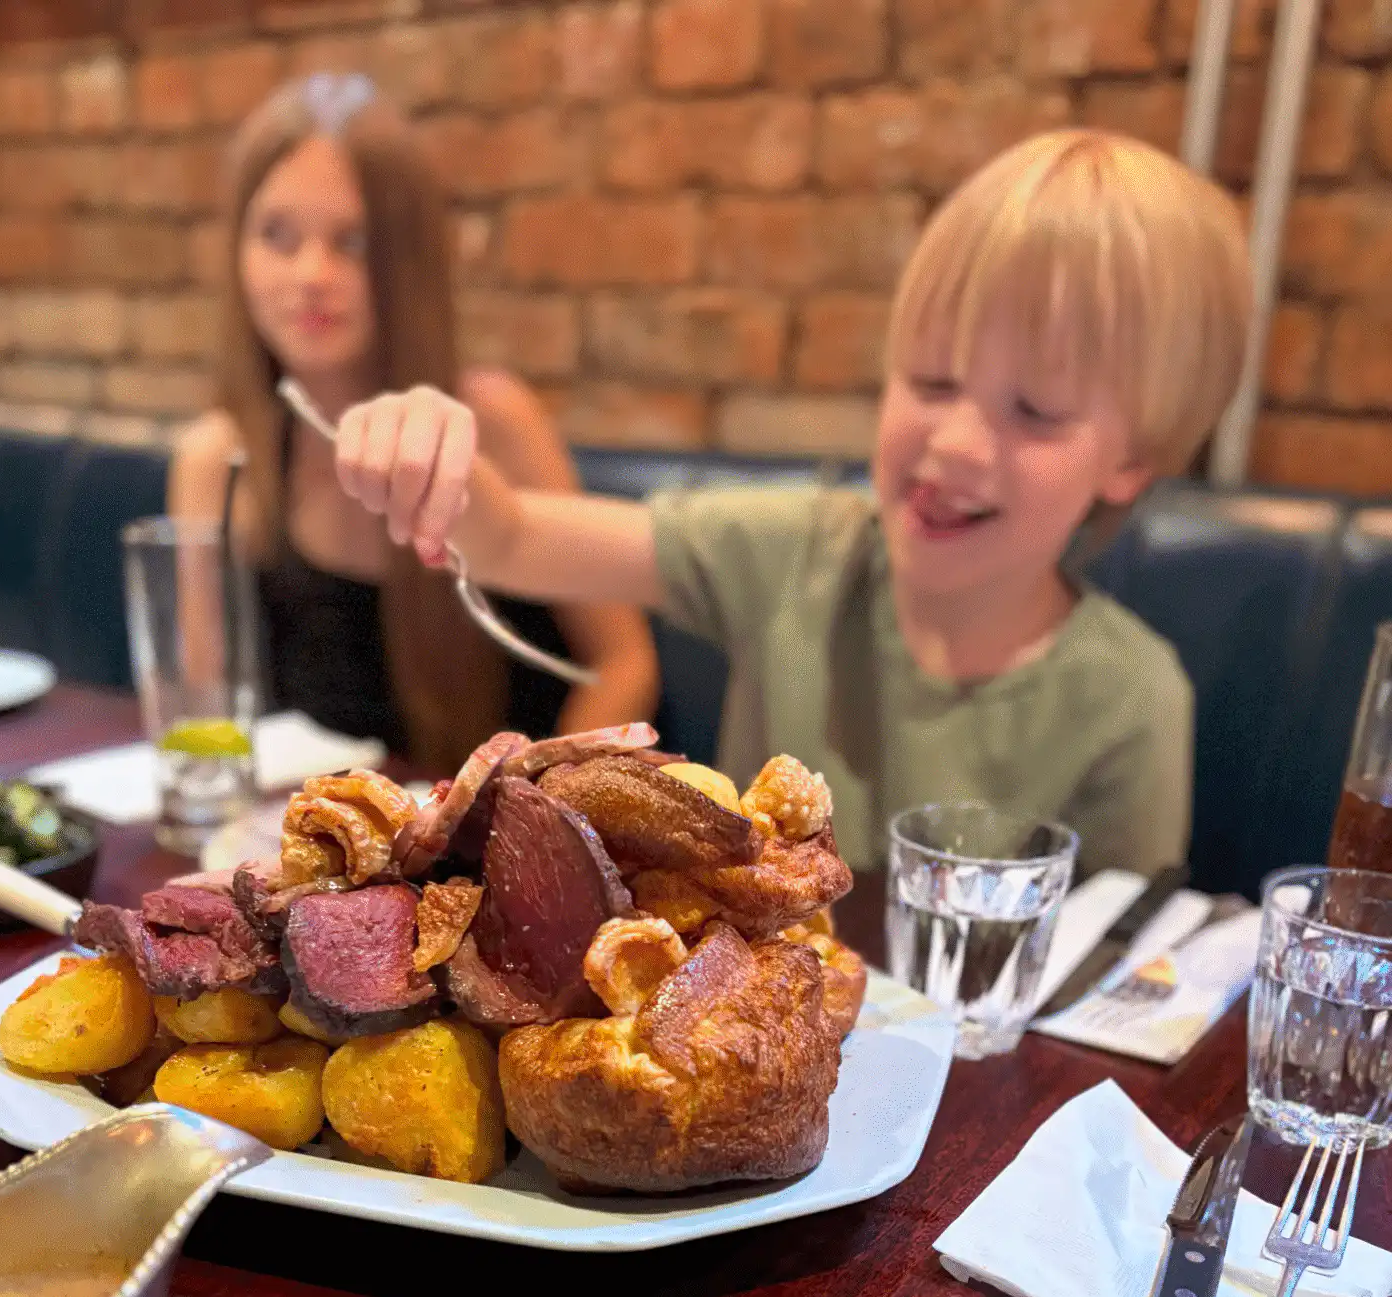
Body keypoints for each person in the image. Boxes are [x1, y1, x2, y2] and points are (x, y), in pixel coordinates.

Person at [325, 129, 1253, 874]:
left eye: (1036, 412)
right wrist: (434, 451)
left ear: (1133, 460)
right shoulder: (798, 553)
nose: (957, 443)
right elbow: (518, 537)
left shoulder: (1132, 700)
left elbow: (1117, 972)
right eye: (932, 381)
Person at [169, 73, 657, 775]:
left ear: (408, 262)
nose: (310, 274)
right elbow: (207, 717)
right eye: (276, 235)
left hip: (503, 821)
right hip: (315, 831)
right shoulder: (215, 460)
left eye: (354, 241)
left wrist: (543, 806)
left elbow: (624, 661)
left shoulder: (493, 422)